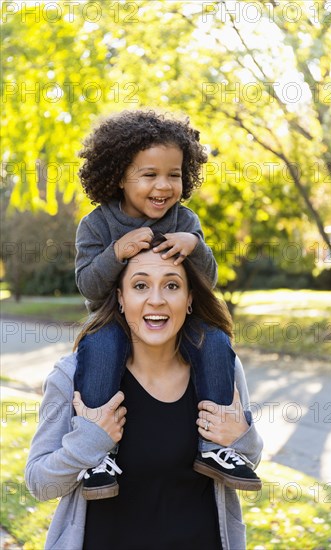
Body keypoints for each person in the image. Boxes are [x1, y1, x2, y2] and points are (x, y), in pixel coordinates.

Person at [25, 238, 263, 550]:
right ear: (120, 298)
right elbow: (39, 482)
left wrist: (244, 437)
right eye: (140, 286)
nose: (156, 300)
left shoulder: (221, 371)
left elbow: (247, 460)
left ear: (190, 298)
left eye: (172, 286)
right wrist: (89, 441)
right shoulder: (73, 377)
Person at [73, 109, 261, 498]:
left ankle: (215, 448)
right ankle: (98, 456)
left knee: (214, 340)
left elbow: (205, 284)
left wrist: (196, 247)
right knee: (99, 347)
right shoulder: (96, 226)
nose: (164, 186)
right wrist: (116, 253)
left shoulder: (185, 221)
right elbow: (89, 287)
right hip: (114, 321)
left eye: (173, 175)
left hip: (177, 323)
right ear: (119, 176)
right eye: (149, 175)